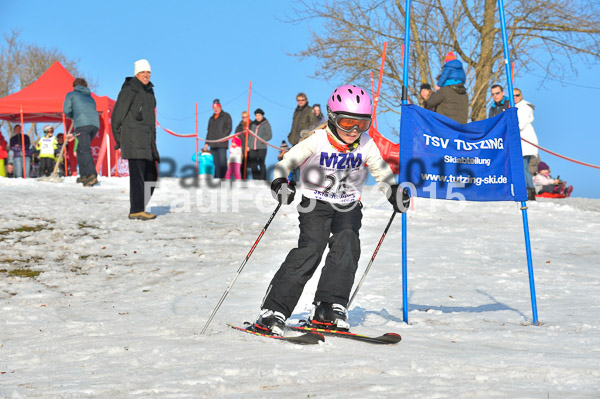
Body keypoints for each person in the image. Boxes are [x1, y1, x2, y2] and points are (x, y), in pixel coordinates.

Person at [249, 84, 411, 336]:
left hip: (348, 205)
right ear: (333, 119)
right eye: (348, 123)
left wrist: (394, 192)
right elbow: (286, 162)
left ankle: (328, 306)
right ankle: (274, 311)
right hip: (315, 204)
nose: (354, 130)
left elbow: (382, 173)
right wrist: (280, 182)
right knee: (311, 250)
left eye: (362, 124)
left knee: (347, 244)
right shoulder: (317, 139)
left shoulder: (365, 144)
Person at [112, 59, 160, 220]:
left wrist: (153, 141)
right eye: (143, 72)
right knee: (138, 176)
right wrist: (118, 139)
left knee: (152, 175)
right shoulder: (129, 89)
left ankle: (140, 205)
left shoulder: (149, 92)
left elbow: (151, 119)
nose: (146, 75)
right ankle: (136, 210)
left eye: (148, 72)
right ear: (136, 73)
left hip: (146, 140)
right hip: (132, 138)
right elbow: (117, 114)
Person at [63, 78, 100, 186]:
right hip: (94, 125)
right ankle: (84, 175)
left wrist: (73, 116)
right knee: (80, 149)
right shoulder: (91, 98)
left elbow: (66, 110)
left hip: (82, 125)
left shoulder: (71, 94)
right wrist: (74, 134)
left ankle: (92, 174)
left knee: (84, 149)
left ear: (74, 86)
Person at [423, 54, 469, 124]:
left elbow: (430, 103)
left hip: (446, 126)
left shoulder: (445, 90)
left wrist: (434, 92)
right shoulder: (464, 93)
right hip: (460, 127)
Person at [513, 88, 539, 201]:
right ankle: (528, 190)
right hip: (520, 143)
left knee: (523, 167)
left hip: (526, 144)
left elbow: (520, 124)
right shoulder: (516, 107)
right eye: (513, 95)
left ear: (521, 95)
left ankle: (529, 191)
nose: (515, 97)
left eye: (517, 95)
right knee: (523, 167)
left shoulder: (524, 108)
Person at [204, 99, 232, 179]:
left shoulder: (226, 116)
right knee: (216, 163)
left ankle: (225, 178)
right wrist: (206, 143)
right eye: (214, 108)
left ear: (220, 107)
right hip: (213, 144)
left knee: (222, 162)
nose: (215, 109)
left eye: (217, 107)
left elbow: (229, 128)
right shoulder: (211, 118)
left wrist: (223, 136)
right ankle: (217, 178)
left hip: (222, 143)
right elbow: (209, 131)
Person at [247, 108, 272, 180]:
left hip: (262, 147)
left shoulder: (266, 123)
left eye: (259, 115)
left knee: (261, 163)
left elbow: (269, 135)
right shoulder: (252, 124)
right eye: (256, 115)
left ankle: (262, 178)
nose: (258, 117)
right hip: (252, 147)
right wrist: (248, 145)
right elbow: (250, 136)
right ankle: (256, 178)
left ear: (262, 116)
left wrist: (262, 140)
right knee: (253, 164)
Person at [234, 111, 251, 178]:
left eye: (246, 117)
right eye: (243, 117)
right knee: (242, 166)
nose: (245, 118)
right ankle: (243, 181)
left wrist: (249, 146)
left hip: (250, 149)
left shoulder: (253, 125)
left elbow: (254, 137)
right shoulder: (239, 127)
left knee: (250, 167)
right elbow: (235, 137)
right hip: (241, 149)